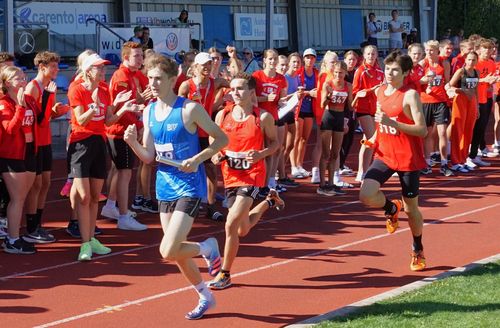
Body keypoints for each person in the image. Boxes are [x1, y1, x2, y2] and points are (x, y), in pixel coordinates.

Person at [124, 53, 228, 320]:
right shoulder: (148, 111)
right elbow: (148, 156)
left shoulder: (189, 109)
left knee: (167, 249)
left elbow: (220, 138)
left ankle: (208, 247)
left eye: (159, 78)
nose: (153, 83)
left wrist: (196, 159)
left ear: (172, 79)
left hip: (189, 185)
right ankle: (205, 295)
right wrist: (132, 142)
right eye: (150, 78)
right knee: (177, 253)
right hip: (165, 185)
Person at [207, 72, 283, 290]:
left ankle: (225, 274)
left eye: (240, 88)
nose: (235, 92)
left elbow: (275, 144)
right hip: (230, 175)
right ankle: (269, 202)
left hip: (252, 175)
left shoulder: (263, 118)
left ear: (251, 93)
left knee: (230, 224)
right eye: (232, 88)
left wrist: (261, 154)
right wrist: (215, 154)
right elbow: (214, 140)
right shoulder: (223, 115)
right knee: (242, 230)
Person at [67, 53, 141, 261]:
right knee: (83, 196)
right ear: (88, 70)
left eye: (103, 67)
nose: (103, 71)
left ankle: (91, 239)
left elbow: (108, 121)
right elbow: (80, 120)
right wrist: (92, 106)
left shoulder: (103, 90)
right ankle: (84, 244)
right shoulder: (77, 88)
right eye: (98, 68)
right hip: (81, 143)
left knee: (93, 197)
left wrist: (123, 108)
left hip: (99, 143)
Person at [359, 51, 428, 272]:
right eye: (387, 69)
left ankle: (417, 248)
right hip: (385, 154)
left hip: (408, 158)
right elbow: (381, 123)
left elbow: (422, 130)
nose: (390, 73)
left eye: (395, 70)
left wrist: (395, 124)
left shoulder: (410, 95)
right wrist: (372, 138)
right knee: (366, 194)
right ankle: (390, 208)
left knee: (411, 210)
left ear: (406, 72)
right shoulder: (380, 91)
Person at [100, 41, 150, 231]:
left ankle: (112, 206)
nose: (141, 59)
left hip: (127, 130)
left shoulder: (137, 74)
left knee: (121, 171)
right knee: (124, 173)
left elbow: (144, 97)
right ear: (126, 58)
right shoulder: (121, 76)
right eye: (137, 56)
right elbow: (123, 107)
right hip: (120, 132)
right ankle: (122, 216)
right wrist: (138, 125)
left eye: (141, 55)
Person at [24, 51, 69, 244]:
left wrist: (56, 111)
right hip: (35, 143)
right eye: (53, 66)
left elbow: (45, 117)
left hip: (46, 141)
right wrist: (48, 98)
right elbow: (35, 119)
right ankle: (31, 227)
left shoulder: (48, 87)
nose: (57, 69)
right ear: (42, 67)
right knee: (35, 185)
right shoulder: (32, 88)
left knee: (45, 183)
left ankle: (38, 224)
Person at [178, 52, 229, 220]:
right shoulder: (186, 86)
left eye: (209, 64)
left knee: (211, 170)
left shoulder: (217, 82)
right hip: (189, 134)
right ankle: (185, 204)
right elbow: (177, 110)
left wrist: (230, 96)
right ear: (196, 67)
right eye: (203, 64)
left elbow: (238, 83)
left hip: (206, 134)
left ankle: (210, 205)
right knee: (187, 169)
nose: (206, 67)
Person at [0, 66, 37, 254]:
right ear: (7, 83)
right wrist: (20, 108)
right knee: (17, 198)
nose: (23, 81)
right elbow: (10, 129)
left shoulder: (28, 99)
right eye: (18, 78)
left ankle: (14, 234)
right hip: (11, 155)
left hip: (28, 152)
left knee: (22, 197)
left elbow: (41, 118)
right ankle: (12, 239)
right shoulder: (4, 103)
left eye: (23, 77)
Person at [252, 49, 288, 197]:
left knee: (271, 150)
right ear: (265, 61)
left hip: (273, 117)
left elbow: (282, 98)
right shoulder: (257, 76)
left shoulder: (281, 79)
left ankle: (267, 183)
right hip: (258, 117)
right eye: (270, 59)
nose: (273, 62)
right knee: (258, 150)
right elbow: (252, 98)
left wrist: (281, 101)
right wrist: (266, 99)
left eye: (275, 59)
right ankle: (256, 183)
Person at [419, 40, 453, 176]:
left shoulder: (443, 63)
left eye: (431, 50)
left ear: (437, 50)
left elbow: (447, 81)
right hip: (425, 101)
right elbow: (416, 81)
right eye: (427, 50)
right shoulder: (422, 64)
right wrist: (425, 81)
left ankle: (444, 164)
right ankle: (427, 164)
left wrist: (449, 90)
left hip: (440, 101)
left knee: (442, 133)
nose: (428, 53)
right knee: (427, 134)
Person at [317, 60, 351, 196]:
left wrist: (358, 98)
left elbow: (350, 106)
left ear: (345, 73)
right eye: (336, 72)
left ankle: (331, 183)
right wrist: (330, 95)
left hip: (340, 118)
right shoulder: (328, 84)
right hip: (328, 117)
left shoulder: (348, 85)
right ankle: (322, 184)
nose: (338, 75)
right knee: (326, 153)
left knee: (335, 154)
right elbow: (322, 104)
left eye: (341, 73)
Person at [352, 45, 384, 182]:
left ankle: (363, 171)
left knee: (367, 141)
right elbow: (355, 92)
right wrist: (372, 90)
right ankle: (365, 171)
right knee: (372, 139)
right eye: (368, 54)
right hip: (363, 108)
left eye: (373, 54)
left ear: (377, 55)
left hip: (375, 110)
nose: (371, 56)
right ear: (364, 55)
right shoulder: (360, 71)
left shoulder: (380, 71)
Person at [466, 39, 498, 168]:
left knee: (481, 128)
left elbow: (489, 81)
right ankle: (466, 156)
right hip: (473, 99)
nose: (488, 51)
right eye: (485, 48)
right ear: (479, 49)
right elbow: (469, 80)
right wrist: (485, 79)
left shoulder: (491, 63)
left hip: (484, 98)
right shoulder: (475, 62)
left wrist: (492, 82)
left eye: (490, 49)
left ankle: (474, 155)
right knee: (471, 128)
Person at [448, 51, 479, 172]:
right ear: (465, 60)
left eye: (474, 60)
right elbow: (449, 85)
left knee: (468, 131)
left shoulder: (476, 72)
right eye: (469, 60)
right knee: (458, 131)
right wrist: (462, 90)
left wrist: (477, 107)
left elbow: (475, 90)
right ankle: (455, 161)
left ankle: (463, 159)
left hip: (471, 103)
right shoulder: (461, 71)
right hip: (460, 101)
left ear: (476, 61)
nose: (471, 62)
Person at [291, 48, 318, 182]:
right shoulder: (299, 73)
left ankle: (300, 164)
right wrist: (309, 93)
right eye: (307, 57)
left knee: (304, 139)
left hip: (310, 109)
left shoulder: (316, 73)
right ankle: (293, 166)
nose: (310, 60)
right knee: (295, 138)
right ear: (304, 59)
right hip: (298, 108)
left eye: (312, 57)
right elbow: (297, 91)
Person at [339, 50, 359, 179]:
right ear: (345, 60)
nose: (351, 62)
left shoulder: (357, 73)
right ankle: (338, 165)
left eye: (353, 60)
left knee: (350, 137)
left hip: (353, 108)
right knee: (342, 138)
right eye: (349, 59)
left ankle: (342, 163)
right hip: (342, 109)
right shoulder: (342, 74)